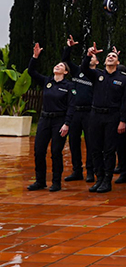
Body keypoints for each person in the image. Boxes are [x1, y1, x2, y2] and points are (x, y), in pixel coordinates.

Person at [82, 43, 126, 194]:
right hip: (96, 115)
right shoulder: (97, 74)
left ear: (118, 62)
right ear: (104, 62)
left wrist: (123, 120)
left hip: (113, 116)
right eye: (108, 56)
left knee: (109, 150)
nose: (110, 57)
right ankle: (99, 178)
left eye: (114, 56)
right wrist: (88, 55)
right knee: (95, 149)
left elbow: (125, 102)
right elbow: (84, 69)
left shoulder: (124, 79)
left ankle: (107, 180)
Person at [27, 43, 73, 192]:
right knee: (39, 150)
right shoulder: (47, 81)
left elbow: (71, 106)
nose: (57, 66)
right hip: (45, 119)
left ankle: (56, 182)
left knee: (55, 151)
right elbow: (31, 71)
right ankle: (40, 181)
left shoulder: (69, 86)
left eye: (61, 66)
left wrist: (67, 124)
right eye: (57, 65)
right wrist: (35, 57)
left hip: (59, 121)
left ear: (65, 72)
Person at [61, 36, 93, 183]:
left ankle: (91, 171)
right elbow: (65, 60)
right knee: (73, 142)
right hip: (75, 112)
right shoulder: (77, 71)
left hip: (89, 113)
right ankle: (77, 170)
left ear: (96, 62)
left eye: (94, 57)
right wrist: (69, 47)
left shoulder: (97, 75)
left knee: (90, 142)